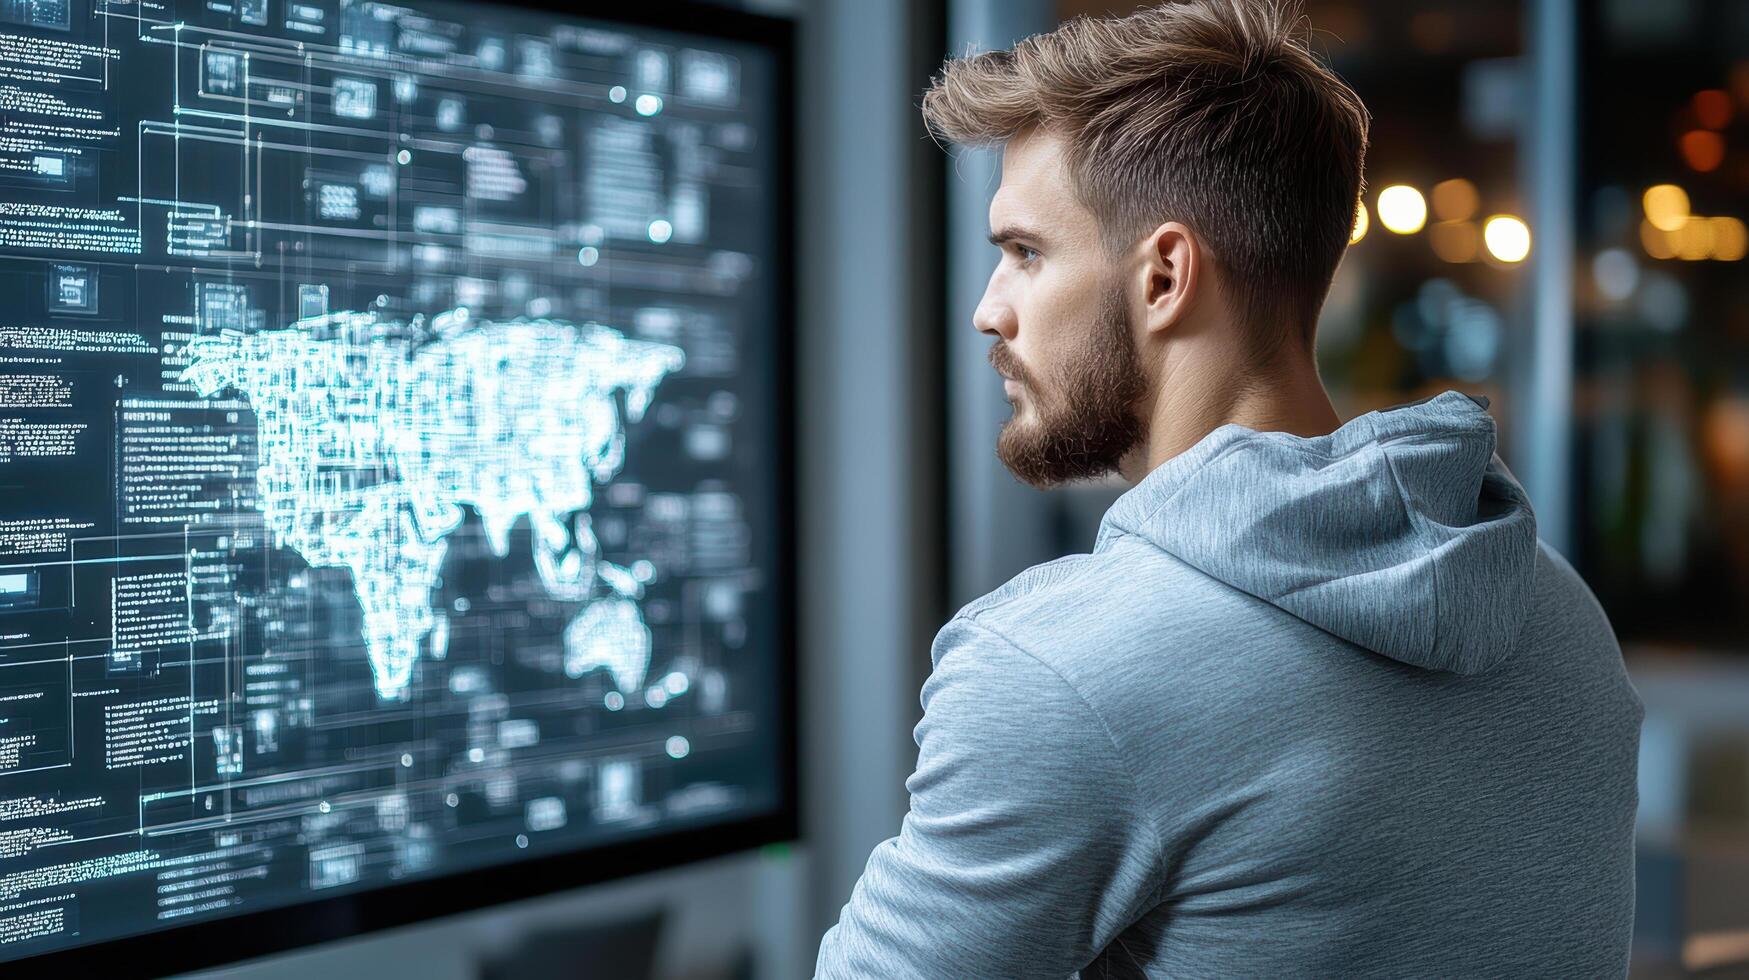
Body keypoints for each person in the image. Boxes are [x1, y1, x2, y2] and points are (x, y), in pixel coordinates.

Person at [813, 1, 1643, 977]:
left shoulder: (1060, 672)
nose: (987, 311)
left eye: (1026, 253)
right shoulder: (1559, 609)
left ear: (1166, 274)